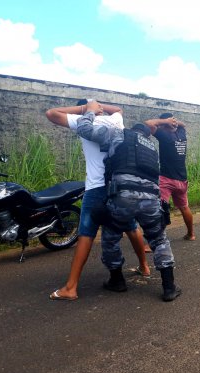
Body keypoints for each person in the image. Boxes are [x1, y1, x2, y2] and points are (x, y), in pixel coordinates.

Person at [46, 99, 151, 301]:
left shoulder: (85, 121)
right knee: (130, 226)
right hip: (120, 187)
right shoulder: (116, 120)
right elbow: (119, 108)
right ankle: (144, 267)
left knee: (86, 233)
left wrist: (86, 109)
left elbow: (52, 113)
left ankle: (71, 287)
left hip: (97, 188)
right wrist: (98, 106)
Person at [76, 100, 181, 301]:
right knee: (159, 239)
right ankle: (169, 287)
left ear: (132, 129)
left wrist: (89, 111)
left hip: (122, 196)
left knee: (111, 236)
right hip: (151, 198)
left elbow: (85, 130)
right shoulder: (151, 146)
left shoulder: (119, 134)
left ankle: (117, 280)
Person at [149, 112, 196, 241]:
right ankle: (191, 234)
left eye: (162, 124)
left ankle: (156, 240)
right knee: (184, 207)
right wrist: (174, 122)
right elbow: (183, 125)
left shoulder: (164, 135)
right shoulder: (181, 134)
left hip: (166, 180)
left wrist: (165, 122)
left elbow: (148, 124)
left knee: (160, 209)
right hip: (182, 180)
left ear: (165, 124)